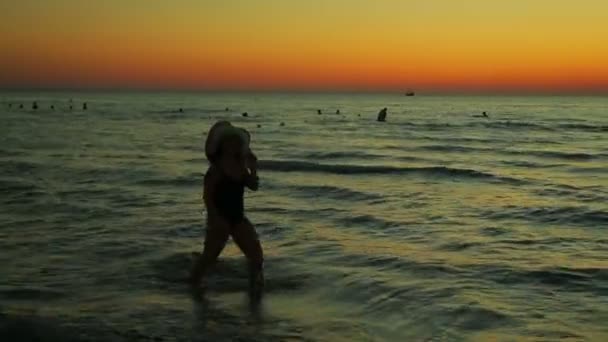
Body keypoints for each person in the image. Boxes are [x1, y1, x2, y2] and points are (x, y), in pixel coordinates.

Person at [190, 121, 264, 298]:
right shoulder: (216, 169)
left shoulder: (240, 167)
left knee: (256, 256)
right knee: (209, 257)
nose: (233, 144)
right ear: (222, 145)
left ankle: (255, 289)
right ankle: (193, 284)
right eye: (229, 141)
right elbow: (207, 196)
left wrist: (253, 169)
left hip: (237, 217)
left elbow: (253, 186)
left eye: (236, 141)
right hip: (219, 217)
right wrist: (214, 218)